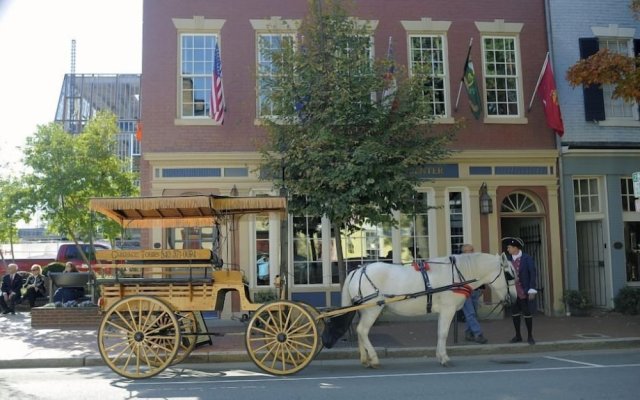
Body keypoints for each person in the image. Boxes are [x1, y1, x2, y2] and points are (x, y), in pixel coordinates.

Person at [504, 237, 537, 345]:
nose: (507, 249)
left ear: (515, 248)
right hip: (513, 292)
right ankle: (518, 335)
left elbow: (532, 273)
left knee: (527, 314)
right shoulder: (507, 259)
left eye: (509, 247)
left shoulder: (527, 258)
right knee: (515, 314)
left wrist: (532, 289)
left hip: (524, 291)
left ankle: (530, 336)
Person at [460, 244, 487, 344]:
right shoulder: (459, 263)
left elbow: (481, 276)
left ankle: (468, 333)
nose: (469, 253)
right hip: (464, 291)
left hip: (476, 291)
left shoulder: (477, 263)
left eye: (471, 250)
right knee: (470, 313)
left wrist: (482, 289)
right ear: (463, 253)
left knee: (472, 314)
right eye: (467, 251)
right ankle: (478, 334)